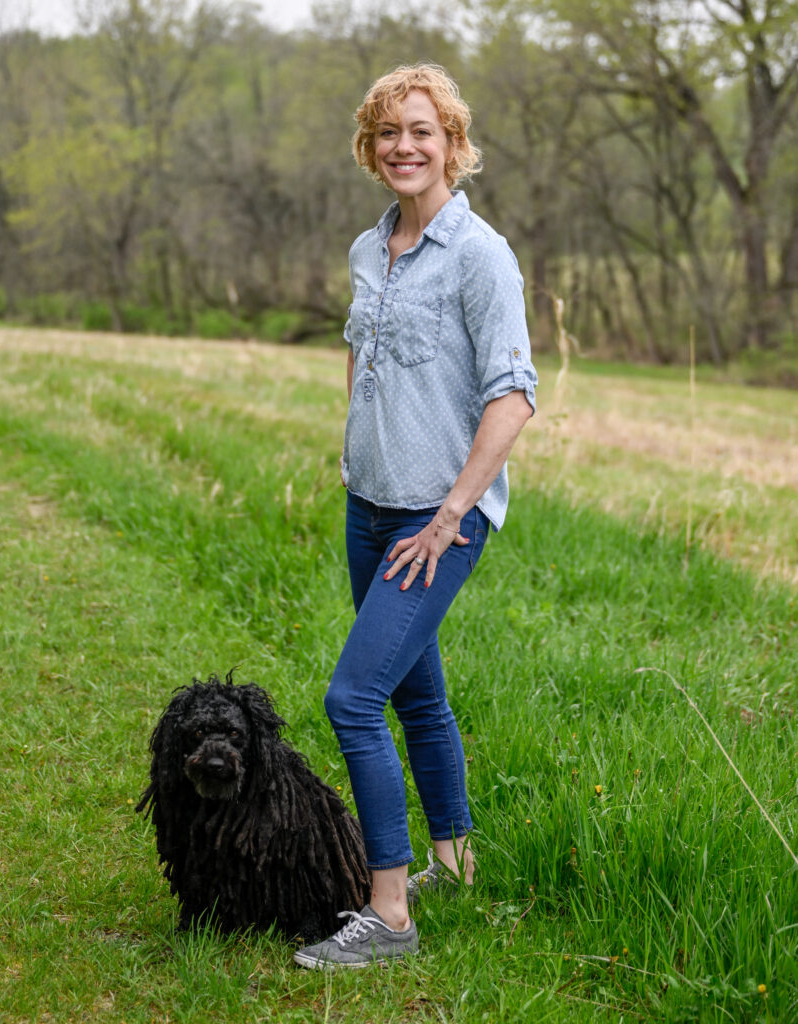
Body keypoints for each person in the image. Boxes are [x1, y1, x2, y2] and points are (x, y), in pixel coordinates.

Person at [293, 63, 537, 970]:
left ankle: (388, 916)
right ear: (371, 146)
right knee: (414, 694)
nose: (404, 146)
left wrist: (448, 516)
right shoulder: (369, 249)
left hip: (437, 518)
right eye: (388, 132)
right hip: (369, 504)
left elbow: (511, 397)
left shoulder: (480, 255)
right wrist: (352, 456)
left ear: (453, 145)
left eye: (422, 131)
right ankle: (454, 861)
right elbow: (362, 359)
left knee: (351, 699)